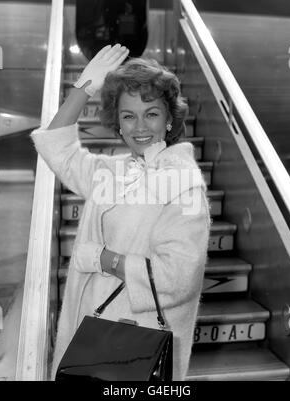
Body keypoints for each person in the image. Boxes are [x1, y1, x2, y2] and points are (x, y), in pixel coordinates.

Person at [30, 44, 211, 381]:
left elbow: (179, 275)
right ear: (118, 123)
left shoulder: (185, 184)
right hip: (92, 339)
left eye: (152, 113)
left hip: (135, 349)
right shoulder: (112, 172)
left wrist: (104, 259)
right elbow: (57, 149)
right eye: (129, 116)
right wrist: (84, 88)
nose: (140, 126)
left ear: (170, 119)